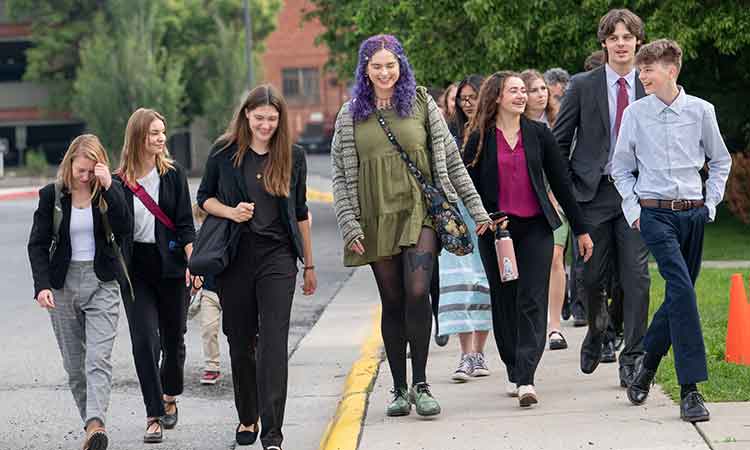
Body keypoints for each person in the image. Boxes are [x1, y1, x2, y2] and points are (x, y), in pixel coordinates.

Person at [331, 34, 492, 418]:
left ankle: (421, 384)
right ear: (365, 71)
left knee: (418, 291)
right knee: (393, 301)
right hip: (374, 216)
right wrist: (349, 223)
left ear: (400, 65)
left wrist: (478, 210)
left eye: (391, 64)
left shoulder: (421, 104)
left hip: (420, 211)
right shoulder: (350, 113)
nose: (385, 72)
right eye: (376, 66)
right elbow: (340, 175)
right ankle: (399, 389)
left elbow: (451, 163)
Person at [613, 39, 731, 422]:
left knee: (679, 296)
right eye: (640, 69)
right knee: (681, 290)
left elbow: (720, 160)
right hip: (655, 216)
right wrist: (635, 213)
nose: (642, 75)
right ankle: (691, 389)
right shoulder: (635, 113)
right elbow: (620, 168)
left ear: (671, 71)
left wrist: (710, 205)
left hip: (693, 215)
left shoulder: (701, 111)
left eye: (648, 69)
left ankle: (646, 366)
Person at [463, 71, 593, 407]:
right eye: (514, 91)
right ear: (496, 97)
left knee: (532, 300)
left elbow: (561, 184)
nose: (522, 96)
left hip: (536, 229)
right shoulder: (478, 137)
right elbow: (466, 184)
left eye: (525, 90)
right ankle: (513, 364)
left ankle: (527, 377)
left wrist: (580, 229)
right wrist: (484, 216)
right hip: (497, 233)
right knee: (505, 301)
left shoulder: (538, 135)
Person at [197, 84, 316, 448]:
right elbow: (204, 199)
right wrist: (232, 212)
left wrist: (309, 264)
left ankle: (273, 433)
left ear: (281, 120)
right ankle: (248, 416)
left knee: (274, 342)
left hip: (278, 258)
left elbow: (300, 213)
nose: (265, 125)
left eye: (272, 119)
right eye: (259, 118)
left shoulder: (292, 156)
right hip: (236, 258)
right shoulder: (224, 152)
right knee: (240, 340)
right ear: (246, 115)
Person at [553, 8, 651, 388]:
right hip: (592, 195)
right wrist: (567, 193)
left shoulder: (650, 85)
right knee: (592, 277)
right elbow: (559, 144)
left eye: (628, 37)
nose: (621, 44)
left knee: (636, 277)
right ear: (605, 43)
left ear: (637, 42)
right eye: (614, 38)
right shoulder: (583, 85)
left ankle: (634, 355)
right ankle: (597, 331)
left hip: (638, 196)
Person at [28, 134, 131, 450]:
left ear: (99, 167)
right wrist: (42, 286)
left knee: (97, 359)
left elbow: (125, 228)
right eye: (80, 170)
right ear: (70, 163)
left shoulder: (109, 191)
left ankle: (96, 424)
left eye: (90, 171)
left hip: (102, 283)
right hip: (63, 285)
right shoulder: (52, 196)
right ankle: (91, 425)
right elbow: (37, 244)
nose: (85, 177)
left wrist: (110, 186)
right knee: (75, 366)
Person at [115, 108, 196, 444]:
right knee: (144, 342)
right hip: (136, 270)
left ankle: (170, 394)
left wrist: (195, 265)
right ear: (138, 137)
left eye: (162, 132)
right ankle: (153, 414)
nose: (161, 138)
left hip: (172, 265)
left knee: (173, 339)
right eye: (153, 133)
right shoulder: (120, 181)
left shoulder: (173, 175)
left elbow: (186, 225)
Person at [432, 74, 494, 381]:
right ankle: (464, 353)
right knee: (458, 283)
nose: (468, 104)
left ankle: (477, 353)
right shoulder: (448, 132)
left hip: (486, 214)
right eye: (463, 99)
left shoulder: (492, 131)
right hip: (456, 217)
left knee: (482, 282)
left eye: (473, 97)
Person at [521, 69, 569, 351]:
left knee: (555, 258)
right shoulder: (513, 125)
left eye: (543, 89)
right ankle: (533, 320)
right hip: (526, 202)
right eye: (534, 90)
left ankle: (555, 327)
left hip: (556, 201)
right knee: (531, 265)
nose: (541, 94)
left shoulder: (558, 122)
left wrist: (557, 195)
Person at [190, 204, 223, 385]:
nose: (203, 224)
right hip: (209, 291)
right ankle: (212, 366)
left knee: (239, 331)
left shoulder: (225, 236)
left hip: (229, 288)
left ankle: (249, 361)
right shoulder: (197, 238)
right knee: (208, 329)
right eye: (201, 219)